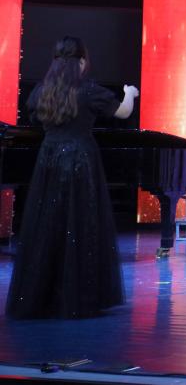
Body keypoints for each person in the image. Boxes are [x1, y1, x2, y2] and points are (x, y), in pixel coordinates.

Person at [6, 37, 137, 319]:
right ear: (81, 61)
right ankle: (78, 296)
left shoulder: (42, 90)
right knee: (80, 224)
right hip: (80, 161)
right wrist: (130, 93)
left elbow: (33, 117)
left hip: (49, 161)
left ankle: (43, 295)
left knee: (48, 224)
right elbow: (124, 111)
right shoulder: (88, 90)